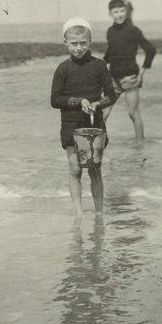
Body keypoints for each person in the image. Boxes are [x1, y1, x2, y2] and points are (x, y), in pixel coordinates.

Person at [51, 18, 117, 217]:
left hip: (94, 123)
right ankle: (79, 214)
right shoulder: (63, 69)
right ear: (65, 43)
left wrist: (98, 104)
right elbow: (55, 99)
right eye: (74, 43)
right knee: (75, 169)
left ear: (90, 42)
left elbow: (111, 95)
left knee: (94, 170)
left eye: (83, 43)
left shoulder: (99, 66)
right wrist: (78, 101)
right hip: (70, 125)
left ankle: (98, 213)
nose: (78, 48)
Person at [103, 0, 156, 140]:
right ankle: (98, 147)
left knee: (133, 113)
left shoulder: (133, 31)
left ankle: (140, 147)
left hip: (130, 78)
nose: (119, 14)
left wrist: (142, 74)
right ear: (110, 14)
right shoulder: (110, 31)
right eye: (116, 12)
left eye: (122, 11)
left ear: (126, 12)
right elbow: (110, 52)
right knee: (102, 114)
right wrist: (99, 68)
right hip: (113, 79)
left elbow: (150, 50)